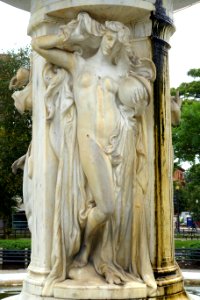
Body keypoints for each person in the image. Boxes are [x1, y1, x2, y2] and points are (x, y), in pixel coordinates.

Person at [32, 12, 156, 295]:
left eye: (117, 41)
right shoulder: (78, 63)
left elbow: (139, 96)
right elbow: (40, 45)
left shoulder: (120, 73)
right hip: (88, 141)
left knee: (113, 207)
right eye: (109, 37)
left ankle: (92, 255)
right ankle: (83, 252)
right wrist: (68, 35)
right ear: (102, 37)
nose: (111, 45)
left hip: (116, 143)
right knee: (108, 206)